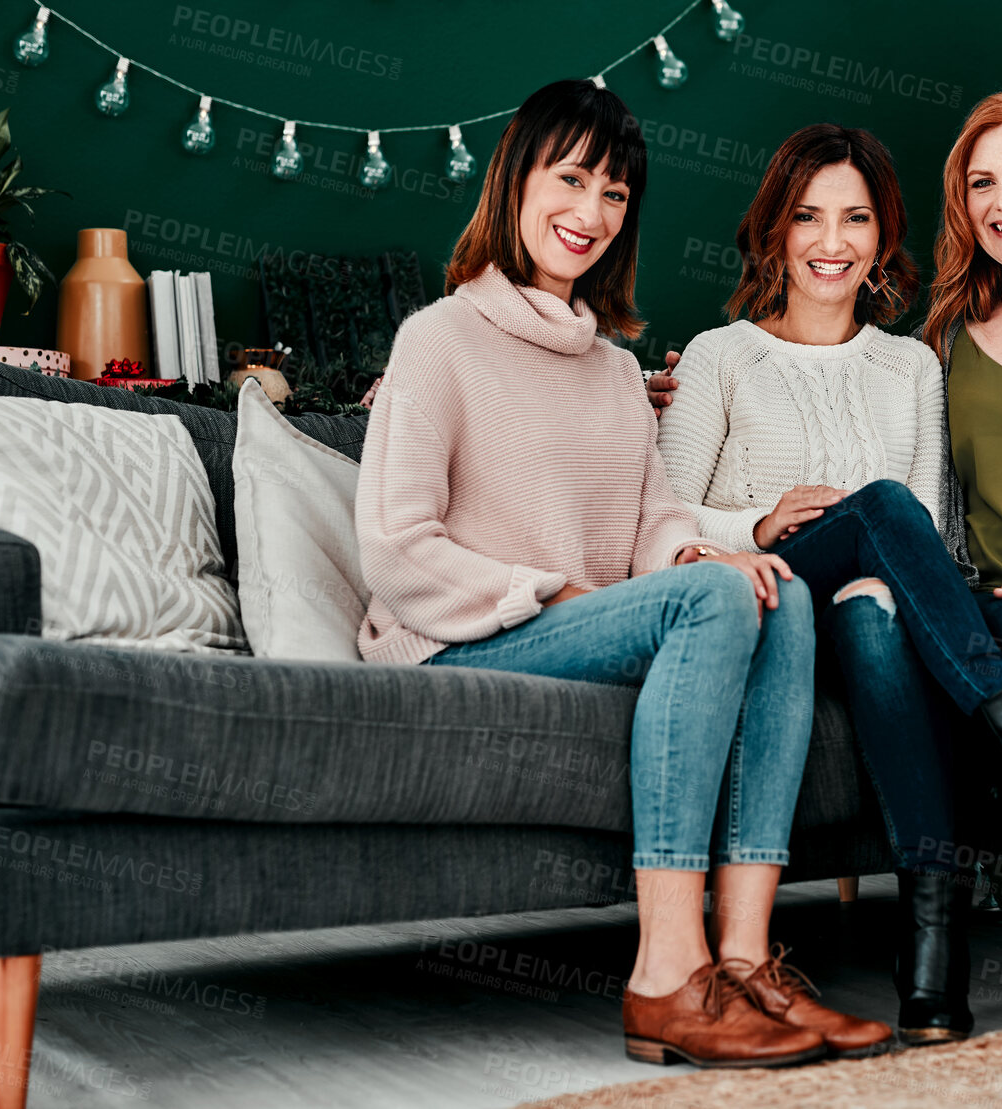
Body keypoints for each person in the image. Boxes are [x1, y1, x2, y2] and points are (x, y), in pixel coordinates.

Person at [354, 79, 888, 1069]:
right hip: (461, 639)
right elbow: (394, 542)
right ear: (515, 181)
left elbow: (652, 521)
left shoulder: (608, 367)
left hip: (584, 626)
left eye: (613, 193)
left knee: (780, 589)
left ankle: (743, 961)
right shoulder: (437, 340)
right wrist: (551, 591)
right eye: (570, 180)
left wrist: (698, 554)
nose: (590, 213)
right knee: (721, 591)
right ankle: (665, 973)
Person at [653, 122, 1002, 1045]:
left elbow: (929, 540)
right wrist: (758, 524)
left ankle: (933, 958)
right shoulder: (717, 355)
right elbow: (663, 520)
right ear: (774, 230)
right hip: (771, 603)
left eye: (855, 219)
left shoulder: (912, 365)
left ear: (883, 239)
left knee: (878, 597)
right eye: (807, 218)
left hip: (867, 621)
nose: (831, 242)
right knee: (879, 510)